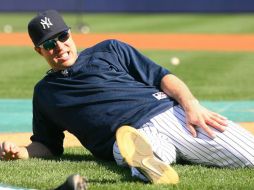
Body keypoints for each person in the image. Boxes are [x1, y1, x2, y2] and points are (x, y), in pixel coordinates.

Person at [1, 10, 254, 185]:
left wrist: (192, 105)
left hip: (167, 115)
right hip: (124, 136)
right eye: (49, 44)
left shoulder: (110, 49)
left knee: (249, 153)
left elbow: (163, 77)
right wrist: (21, 152)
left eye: (62, 37)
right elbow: (48, 145)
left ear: (70, 34)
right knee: (135, 148)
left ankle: (146, 164)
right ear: (38, 50)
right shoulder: (45, 93)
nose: (59, 47)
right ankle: (148, 163)